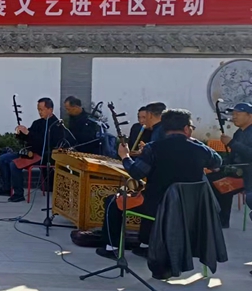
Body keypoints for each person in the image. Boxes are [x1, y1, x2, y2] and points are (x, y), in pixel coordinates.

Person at [98, 108, 222, 259]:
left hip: (158, 207)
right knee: (147, 196)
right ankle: (146, 245)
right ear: (186, 128)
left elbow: (137, 172)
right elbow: (217, 163)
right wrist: (196, 143)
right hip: (191, 208)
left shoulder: (153, 148)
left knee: (113, 201)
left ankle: (111, 248)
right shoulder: (201, 150)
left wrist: (125, 157)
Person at [0, 97, 65, 203]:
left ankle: (18, 194)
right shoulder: (37, 123)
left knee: (14, 164)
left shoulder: (56, 125)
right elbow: (28, 137)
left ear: (50, 109)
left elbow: (46, 143)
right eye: (38, 109)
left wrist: (29, 134)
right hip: (30, 153)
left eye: (42, 109)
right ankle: (6, 188)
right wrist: (20, 133)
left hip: (42, 155)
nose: (39, 112)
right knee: (3, 158)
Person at [207, 102, 252, 228]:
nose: (234, 117)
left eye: (238, 114)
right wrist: (220, 165)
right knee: (208, 179)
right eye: (233, 114)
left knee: (218, 185)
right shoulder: (238, 133)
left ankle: (222, 219)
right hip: (236, 170)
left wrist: (232, 143)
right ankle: (219, 218)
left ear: (250, 115)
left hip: (248, 174)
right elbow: (232, 156)